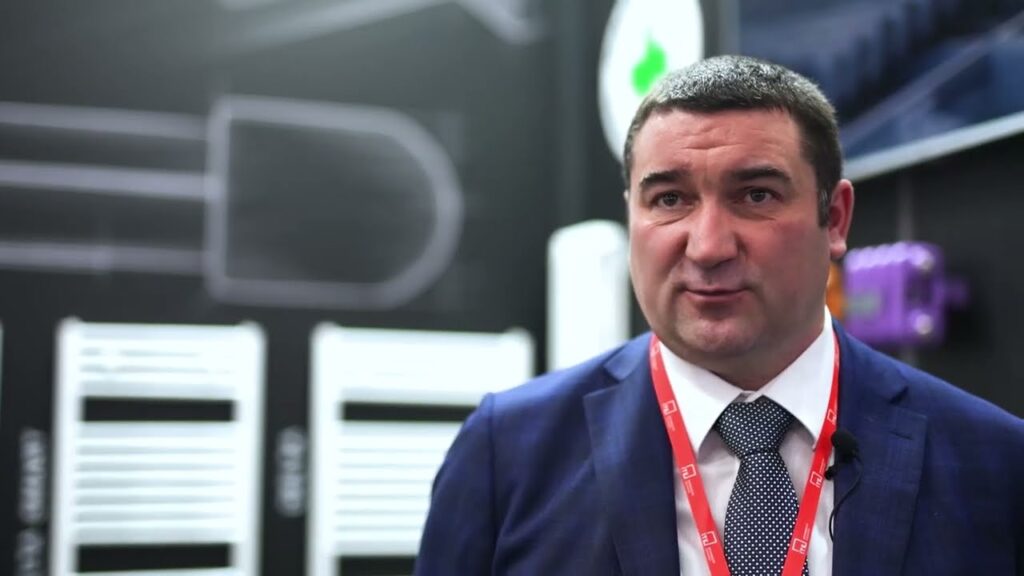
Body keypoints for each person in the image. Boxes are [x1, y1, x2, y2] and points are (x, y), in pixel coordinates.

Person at [414, 55, 1024, 575]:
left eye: (755, 195)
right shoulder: (507, 453)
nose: (708, 246)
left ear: (834, 219)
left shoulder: (993, 461)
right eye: (669, 199)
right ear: (632, 216)